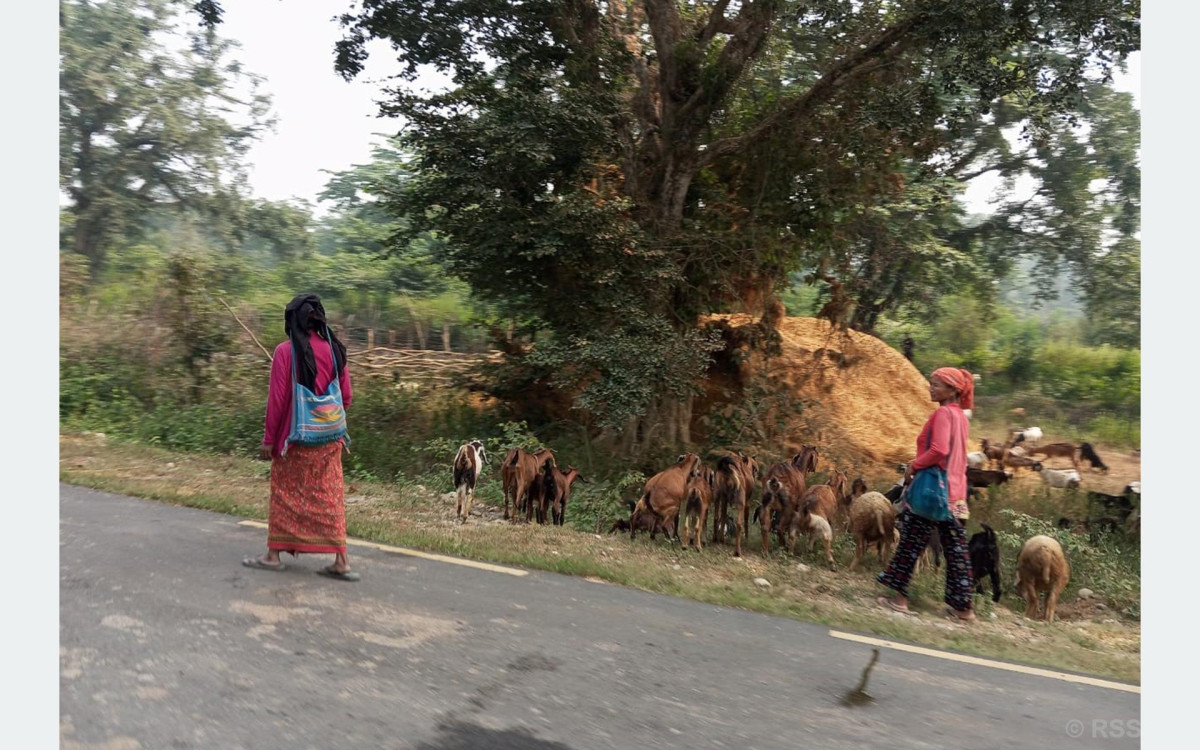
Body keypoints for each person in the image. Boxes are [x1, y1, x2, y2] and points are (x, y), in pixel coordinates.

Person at [243, 294, 359, 581]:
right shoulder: (335, 351)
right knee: (330, 495)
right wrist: (325, 419)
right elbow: (346, 398)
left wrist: (269, 439)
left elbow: (278, 400)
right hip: (330, 440)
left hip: (293, 440)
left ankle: (273, 555)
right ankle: (341, 560)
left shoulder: (285, 352)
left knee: (285, 494)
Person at [877, 367, 976, 621]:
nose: (931, 388)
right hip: (957, 493)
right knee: (956, 550)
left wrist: (913, 466)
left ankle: (899, 600)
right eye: (931, 383)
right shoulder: (962, 417)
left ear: (953, 389)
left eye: (937, 385)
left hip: (933, 492)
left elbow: (938, 450)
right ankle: (964, 609)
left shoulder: (942, 413)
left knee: (910, 542)